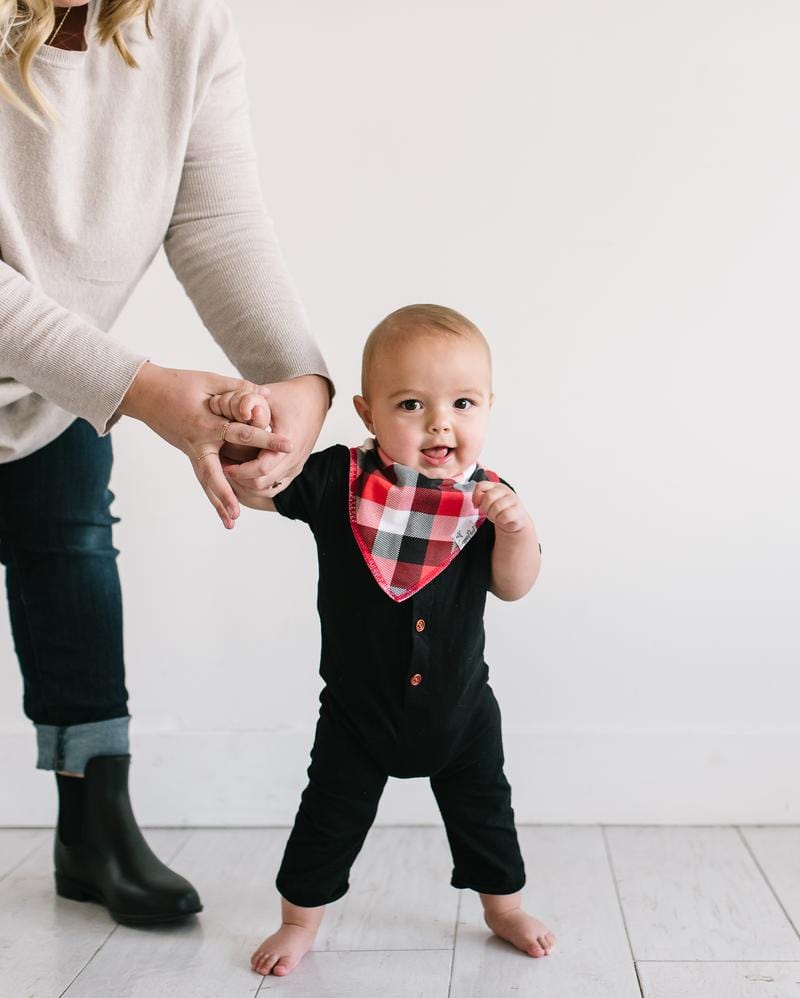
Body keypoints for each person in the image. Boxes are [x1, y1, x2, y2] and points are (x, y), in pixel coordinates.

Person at [0, 0, 331, 924]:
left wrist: (296, 380)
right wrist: (141, 389)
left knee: (74, 573)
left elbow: (217, 218)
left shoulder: (184, 28)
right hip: (81, 373)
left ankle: (95, 824)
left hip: (47, 388)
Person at [209, 304, 556, 977]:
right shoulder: (338, 481)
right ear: (368, 414)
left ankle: (503, 905)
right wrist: (244, 441)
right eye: (410, 403)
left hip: (460, 713)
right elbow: (261, 486)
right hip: (357, 714)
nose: (440, 422)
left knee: (487, 813)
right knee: (329, 817)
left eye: (462, 402)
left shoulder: (488, 499)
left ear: (488, 406)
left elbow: (513, 587)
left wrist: (515, 531)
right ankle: (298, 919)